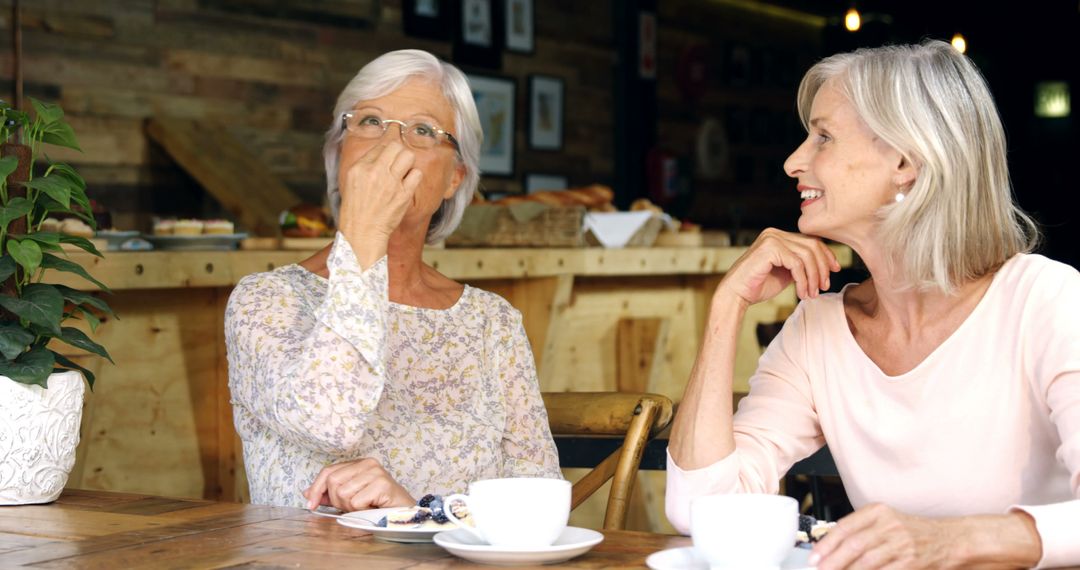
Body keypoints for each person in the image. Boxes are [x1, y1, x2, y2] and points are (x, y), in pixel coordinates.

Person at [666, 40, 1079, 569]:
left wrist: (947, 542)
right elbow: (699, 510)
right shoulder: (819, 329)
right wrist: (726, 306)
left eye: (823, 137)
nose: (794, 161)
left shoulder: (1044, 302)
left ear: (904, 160)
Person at [225, 49, 561, 513]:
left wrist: (416, 513)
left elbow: (537, 504)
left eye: (422, 130)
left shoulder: (491, 322)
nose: (392, 147)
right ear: (339, 153)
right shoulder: (266, 301)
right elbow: (332, 420)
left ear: (454, 178)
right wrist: (364, 235)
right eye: (369, 122)